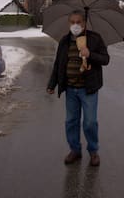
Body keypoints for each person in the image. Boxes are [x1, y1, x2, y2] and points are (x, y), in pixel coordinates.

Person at [47, 10, 110, 167]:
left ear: (84, 23)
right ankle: (75, 150)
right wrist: (52, 84)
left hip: (88, 89)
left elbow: (106, 59)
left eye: (78, 22)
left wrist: (90, 54)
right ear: (69, 24)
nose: (75, 25)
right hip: (70, 89)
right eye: (72, 22)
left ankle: (93, 151)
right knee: (71, 121)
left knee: (90, 122)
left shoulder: (95, 39)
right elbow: (58, 64)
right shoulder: (65, 41)